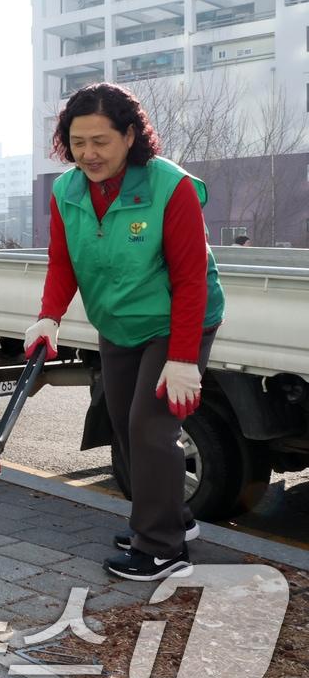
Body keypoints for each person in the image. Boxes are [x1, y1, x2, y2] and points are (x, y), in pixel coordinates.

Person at [25, 82, 223, 582]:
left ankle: (161, 548)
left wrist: (183, 357)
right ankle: (170, 518)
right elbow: (63, 260)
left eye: (101, 141)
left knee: (150, 428)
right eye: (77, 142)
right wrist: (49, 316)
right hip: (116, 321)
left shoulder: (169, 187)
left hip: (175, 321)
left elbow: (190, 279)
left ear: (130, 136)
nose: (88, 154)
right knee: (123, 422)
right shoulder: (67, 190)